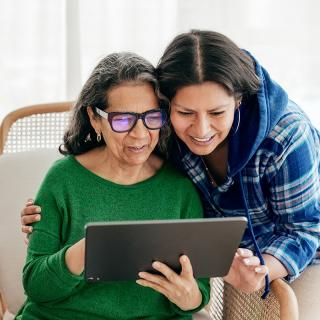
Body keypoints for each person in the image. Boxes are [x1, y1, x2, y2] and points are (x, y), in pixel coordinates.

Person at [22, 30, 320, 298]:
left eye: (217, 112)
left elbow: (305, 228)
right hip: (224, 258)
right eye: (186, 112)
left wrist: (263, 272)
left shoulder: (287, 138)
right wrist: (50, 221)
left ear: (238, 101)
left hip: (294, 257)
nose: (201, 130)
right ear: (167, 106)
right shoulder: (159, 131)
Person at [15, 52, 211, 320]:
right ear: (95, 119)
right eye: (122, 120)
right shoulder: (63, 179)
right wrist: (85, 252)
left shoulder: (180, 189)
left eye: (152, 117)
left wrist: (189, 298)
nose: (140, 134)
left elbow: (199, 291)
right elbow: (36, 287)